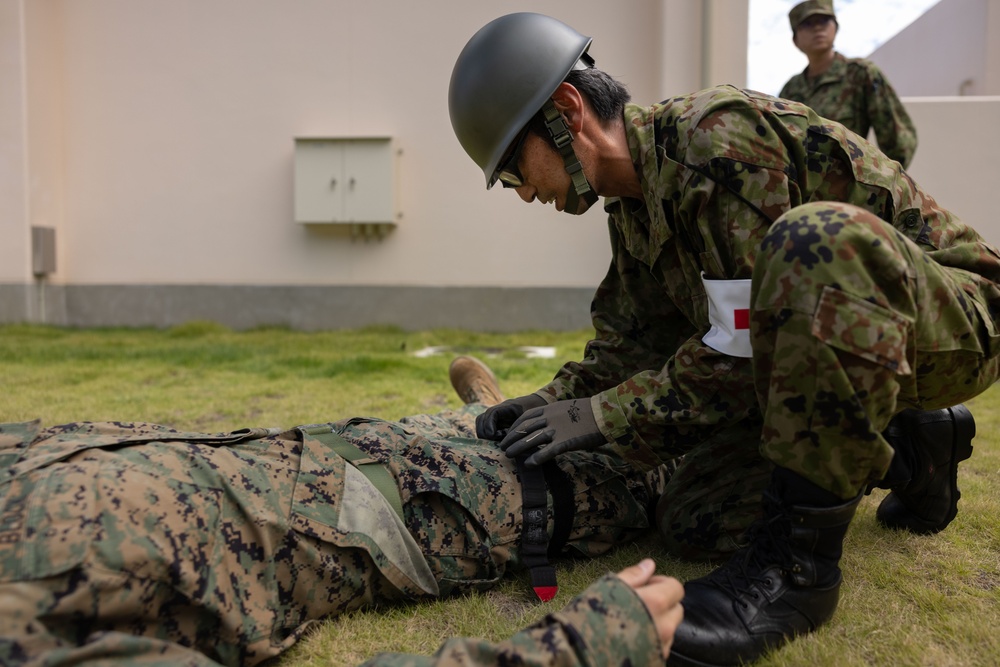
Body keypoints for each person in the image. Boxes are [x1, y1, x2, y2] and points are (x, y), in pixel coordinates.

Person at [448, 12, 998, 667]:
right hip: (836, 356)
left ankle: (798, 574)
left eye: (514, 169)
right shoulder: (634, 204)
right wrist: (550, 400)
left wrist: (602, 414)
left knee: (809, 243)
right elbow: (630, 343)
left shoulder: (713, 138)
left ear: (567, 111)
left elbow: (741, 350)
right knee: (695, 515)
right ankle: (913, 449)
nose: (522, 193)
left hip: (953, 319)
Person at [0, 356, 683, 666]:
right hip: (347, 524)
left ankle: (477, 410)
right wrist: (572, 650)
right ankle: (667, 473)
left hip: (286, 453)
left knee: (452, 434)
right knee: (535, 481)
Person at [778, 0, 918, 168]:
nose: (817, 28)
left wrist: (882, 184)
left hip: (848, 188)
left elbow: (899, 141)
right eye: (807, 24)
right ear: (795, 40)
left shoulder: (860, 74)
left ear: (835, 28)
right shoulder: (790, 91)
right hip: (804, 191)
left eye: (823, 21)